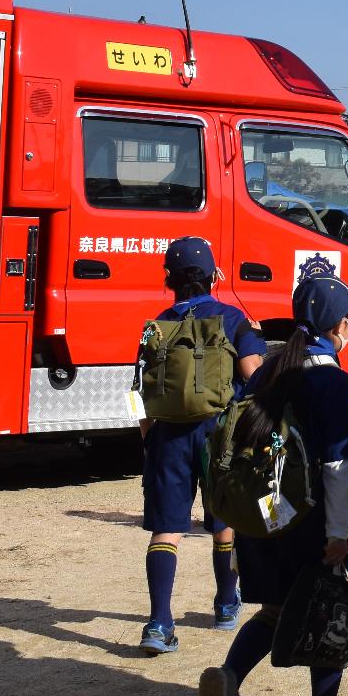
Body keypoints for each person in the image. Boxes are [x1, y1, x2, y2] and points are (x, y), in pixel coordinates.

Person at [194, 272, 348, 696]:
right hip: (309, 517)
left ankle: (229, 677)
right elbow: (338, 464)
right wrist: (337, 533)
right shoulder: (334, 381)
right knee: (330, 605)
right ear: (339, 327)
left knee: (275, 606)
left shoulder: (271, 368)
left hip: (266, 510)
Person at [138, 238, 269, 656]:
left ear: (169, 280)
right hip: (219, 433)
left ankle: (159, 623)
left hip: (167, 434)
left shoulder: (158, 323)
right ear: (214, 276)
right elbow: (255, 376)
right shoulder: (232, 319)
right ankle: (226, 603)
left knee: (167, 529)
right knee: (224, 520)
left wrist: (149, 441)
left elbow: (143, 388)